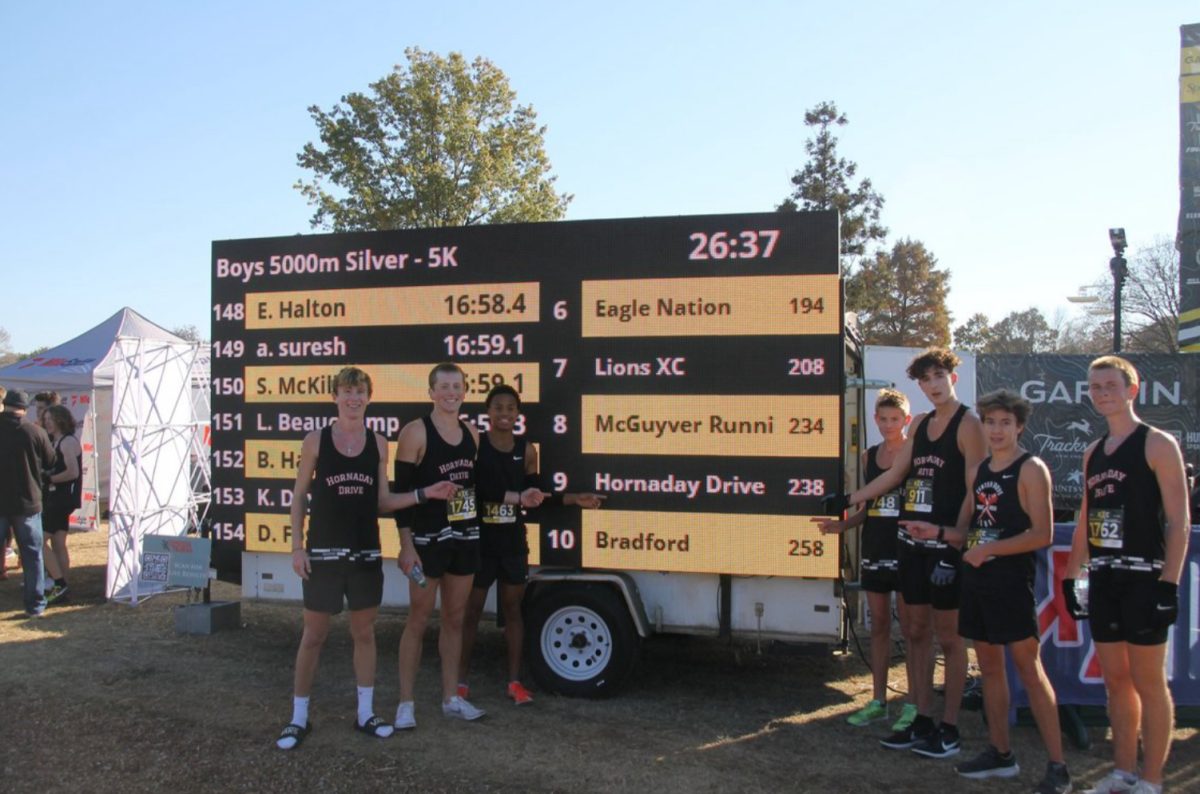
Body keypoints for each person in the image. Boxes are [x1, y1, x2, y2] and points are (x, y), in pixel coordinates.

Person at [276, 366, 457, 750]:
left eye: (360, 392)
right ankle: (298, 718)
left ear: (369, 398)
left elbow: (382, 502)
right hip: (324, 553)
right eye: (346, 391)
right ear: (335, 397)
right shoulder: (315, 440)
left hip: (365, 553)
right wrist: (296, 546)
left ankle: (365, 714)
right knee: (314, 635)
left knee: (364, 634)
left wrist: (426, 494)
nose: (353, 398)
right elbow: (298, 497)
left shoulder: (378, 442)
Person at [908, 390, 1070, 792]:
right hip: (977, 581)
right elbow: (968, 530)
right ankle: (1000, 753)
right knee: (990, 668)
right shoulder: (980, 470)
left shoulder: (1031, 469)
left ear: (1019, 427)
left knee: (1029, 670)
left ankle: (1058, 767)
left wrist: (991, 550)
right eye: (991, 423)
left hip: (1011, 583)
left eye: (1005, 423)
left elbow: (1042, 533)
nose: (997, 430)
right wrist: (938, 533)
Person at [841, 348, 985, 759]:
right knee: (916, 633)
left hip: (945, 546)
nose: (933, 385)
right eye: (925, 379)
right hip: (912, 545)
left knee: (952, 640)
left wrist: (955, 539)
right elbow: (894, 474)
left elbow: (975, 488)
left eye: (939, 376)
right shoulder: (920, 423)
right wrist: (849, 498)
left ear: (952, 379)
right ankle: (922, 717)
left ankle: (950, 727)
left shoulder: (968, 424)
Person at [1062, 356, 1190, 794]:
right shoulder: (1092, 452)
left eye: (1110, 385)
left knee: (1149, 681)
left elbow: (1178, 520)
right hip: (1104, 577)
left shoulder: (1157, 444)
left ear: (1132, 389)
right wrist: (1071, 574)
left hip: (1145, 576)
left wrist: (1169, 584)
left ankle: (1152, 779)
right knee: (1115, 679)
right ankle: (1123, 772)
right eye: (1095, 387)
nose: (1101, 393)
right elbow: (1085, 518)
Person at [458, 384, 605, 705]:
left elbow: (536, 495)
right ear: (488, 412)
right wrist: (515, 497)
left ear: (518, 413)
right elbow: (475, 490)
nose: (504, 414)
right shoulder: (475, 446)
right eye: (498, 407)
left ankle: (514, 682)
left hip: (512, 543)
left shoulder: (527, 451)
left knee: (513, 611)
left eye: (510, 408)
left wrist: (572, 498)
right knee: (471, 613)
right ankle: (459, 683)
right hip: (480, 543)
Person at [393, 363, 508, 728]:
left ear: (464, 391)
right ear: (431, 392)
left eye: (456, 386)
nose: (450, 393)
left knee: (455, 619)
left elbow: (473, 488)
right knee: (418, 619)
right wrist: (405, 545)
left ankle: (450, 698)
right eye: (443, 386)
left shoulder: (472, 433)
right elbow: (400, 496)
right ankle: (406, 703)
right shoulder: (415, 433)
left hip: (463, 537)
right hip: (427, 543)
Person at [815, 388, 917, 731]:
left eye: (896, 419)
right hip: (875, 548)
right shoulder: (869, 457)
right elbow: (867, 508)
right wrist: (841, 525)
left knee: (913, 628)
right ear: (875, 420)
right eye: (884, 419)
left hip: (907, 549)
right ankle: (878, 700)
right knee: (878, 627)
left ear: (907, 419)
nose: (890, 425)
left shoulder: (914, 454)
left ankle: (914, 703)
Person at [0, 389, 58, 617]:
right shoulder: (35, 432)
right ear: (24, 408)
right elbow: (52, 460)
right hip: (28, 502)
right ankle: (35, 605)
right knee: (33, 555)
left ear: (5, 405)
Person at [41, 404, 82, 604]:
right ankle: (64, 586)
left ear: (60, 420)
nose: (46, 422)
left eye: (50, 419)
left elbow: (73, 472)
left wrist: (49, 479)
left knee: (38, 541)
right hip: (60, 499)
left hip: (61, 499)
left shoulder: (67, 442)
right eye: (45, 419)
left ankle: (59, 583)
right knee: (58, 543)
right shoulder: (57, 441)